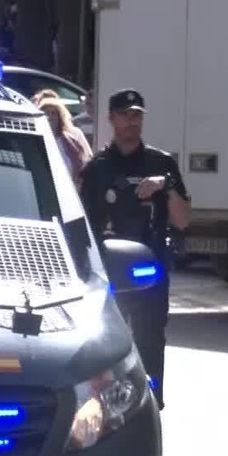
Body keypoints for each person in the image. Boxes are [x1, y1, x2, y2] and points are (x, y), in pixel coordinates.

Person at [79, 89, 190, 409]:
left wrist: (166, 186)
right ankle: (103, 406)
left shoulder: (161, 163)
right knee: (104, 343)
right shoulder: (97, 168)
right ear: (111, 119)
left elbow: (183, 220)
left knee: (150, 341)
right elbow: (82, 225)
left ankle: (150, 404)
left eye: (137, 115)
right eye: (125, 114)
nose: (132, 121)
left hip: (150, 270)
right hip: (107, 270)